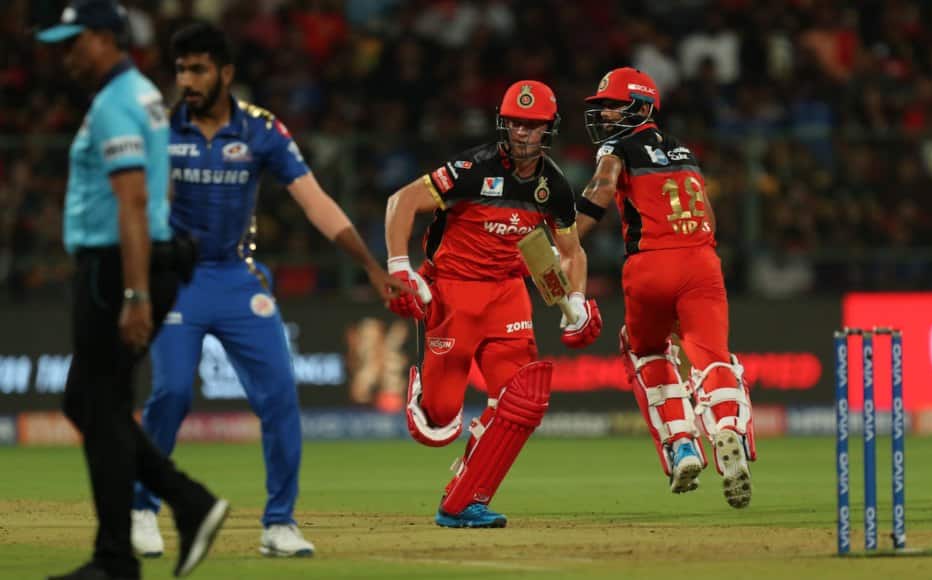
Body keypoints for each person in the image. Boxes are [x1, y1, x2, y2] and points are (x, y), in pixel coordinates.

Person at [129, 21, 410, 557]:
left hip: (238, 279)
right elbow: (138, 208)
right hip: (177, 280)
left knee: (280, 395)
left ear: (225, 73)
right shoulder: (161, 129)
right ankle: (141, 508)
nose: (187, 80)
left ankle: (279, 523)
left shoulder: (261, 130)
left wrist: (371, 268)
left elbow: (316, 202)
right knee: (173, 392)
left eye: (198, 69)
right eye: (181, 69)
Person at [37, 2, 228, 579]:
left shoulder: (117, 102)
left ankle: (121, 553)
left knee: (98, 404)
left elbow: (134, 200)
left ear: (104, 37)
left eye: (75, 41)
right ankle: (183, 507)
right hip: (132, 263)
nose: (68, 54)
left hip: (117, 268)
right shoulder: (141, 94)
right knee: (90, 403)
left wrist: (136, 295)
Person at [385, 80, 602, 527]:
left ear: (548, 129)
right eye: (516, 123)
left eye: (533, 125)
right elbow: (401, 201)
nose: (523, 133)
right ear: (504, 125)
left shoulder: (554, 185)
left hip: (508, 293)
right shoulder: (470, 168)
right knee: (439, 420)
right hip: (453, 291)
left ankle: (463, 501)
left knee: (523, 401)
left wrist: (576, 300)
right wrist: (400, 267)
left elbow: (571, 251)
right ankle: (424, 396)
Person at [576, 67, 755, 508]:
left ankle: (681, 444)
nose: (605, 115)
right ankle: (728, 430)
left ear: (641, 108)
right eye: (603, 108)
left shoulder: (616, 147)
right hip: (702, 261)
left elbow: (601, 188)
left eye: (613, 106)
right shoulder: (683, 149)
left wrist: (566, 236)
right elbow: (708, 214)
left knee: (646, 351)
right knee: (712, 357)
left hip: (650, 265)